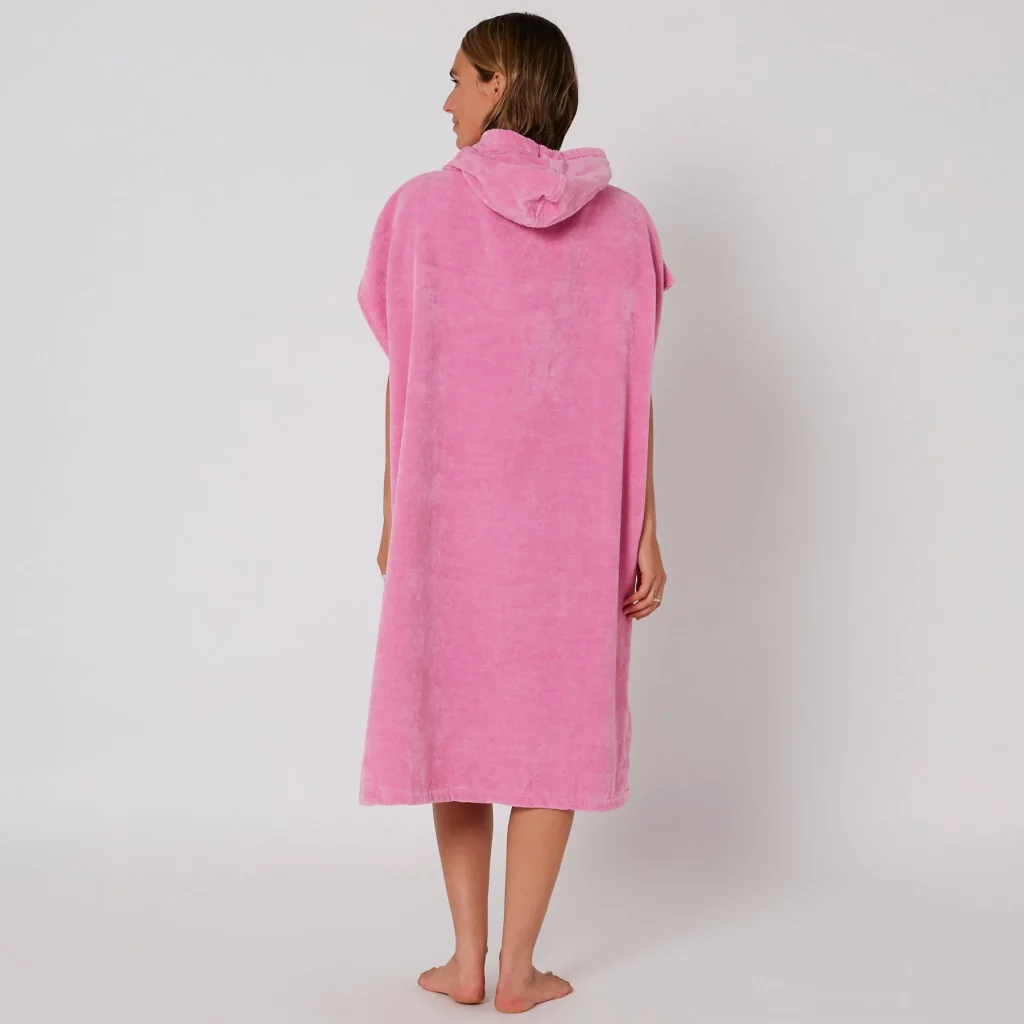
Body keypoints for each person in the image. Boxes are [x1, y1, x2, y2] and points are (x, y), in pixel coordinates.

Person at [356, 12, 673, 1015]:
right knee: (555, 729)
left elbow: (405, 372)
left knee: (453, 718)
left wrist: (394, 511)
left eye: (458, 78)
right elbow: (633, 387)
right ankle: (518, 971)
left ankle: (465, 959)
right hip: (575, 528)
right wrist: (643, 526)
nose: (445, 100)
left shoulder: (418, 210)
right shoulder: (624, 224)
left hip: (451, 517)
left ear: (499, 84)